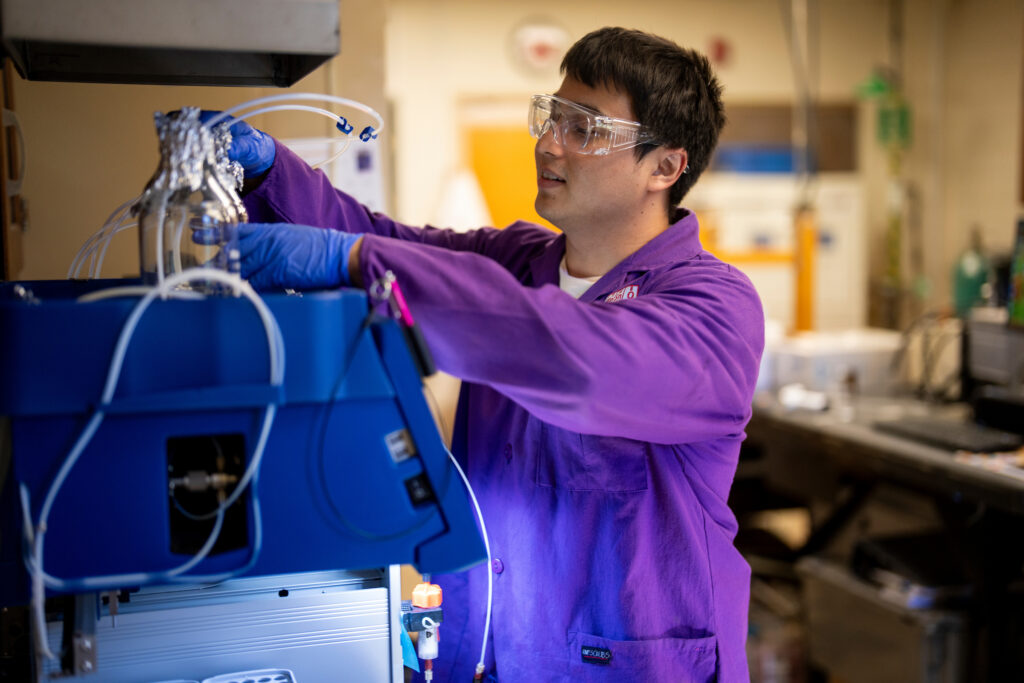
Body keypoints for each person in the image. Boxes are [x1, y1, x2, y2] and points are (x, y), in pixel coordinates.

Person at [222, 27, 763, 682]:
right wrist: (268, 172)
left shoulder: (712, 306)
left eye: (583, 127)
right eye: (551, 116)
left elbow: (576, 357)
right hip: (488, 650)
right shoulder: (517, 261)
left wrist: (363, 261)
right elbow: (386, 240)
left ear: (664, 168)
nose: (548, 142)